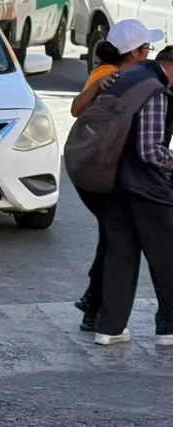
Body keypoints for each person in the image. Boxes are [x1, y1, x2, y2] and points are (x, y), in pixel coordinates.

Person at [92, 45, 173, 346]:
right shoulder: (155, 91)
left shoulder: (128, 77)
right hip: (147, 187)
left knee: (120, 256)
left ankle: (109, 328)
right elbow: (150, 150)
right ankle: (169, 329)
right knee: (166, 258)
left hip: (113, 180)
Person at [71, 20, 162, 118]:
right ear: (134, 52)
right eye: (147, 48)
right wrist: (97, 84)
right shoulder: (106, 74)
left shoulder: (129, 71)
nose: (148, 53)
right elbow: (76, 110)